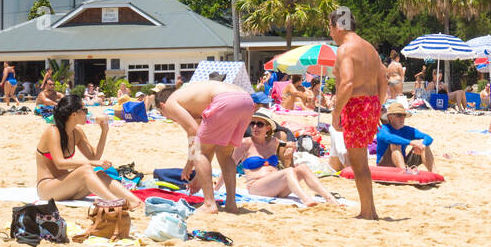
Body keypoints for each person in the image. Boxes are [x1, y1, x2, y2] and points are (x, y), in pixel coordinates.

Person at [154, 79, 258, 214]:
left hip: (225, 100)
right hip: (246, 101)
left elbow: (193, 133)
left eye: (162, 113)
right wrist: (199, 175)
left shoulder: (171, 103)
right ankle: (231, 204)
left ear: (162, 105)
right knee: (225, 154)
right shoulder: (191, 100)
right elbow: (208, 143)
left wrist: (189, 164)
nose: (167, 117)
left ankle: (209, 203)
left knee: (199, 153)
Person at [330, 6, 387, 220]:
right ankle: (369, 210)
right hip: (371, 104)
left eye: (331, 28)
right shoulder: (370, 48)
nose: (331, 34)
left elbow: (347, 83)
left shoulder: (346, 49)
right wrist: (376, 107)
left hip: (356, 105)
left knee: (359, 162)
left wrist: (336, 113)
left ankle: (367, 212)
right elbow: (384, 81)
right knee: (361, 160)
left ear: (338, 26)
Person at [35, 95, 141, 209]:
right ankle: (116, 202)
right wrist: (92, 163)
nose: (88, 113)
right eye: (85, 110)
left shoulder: (77, 132)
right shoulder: (53, 131)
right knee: (86, 169)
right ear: (74, 114)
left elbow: (94, 157)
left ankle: (136, 202)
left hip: (67, 188)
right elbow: (59, 163)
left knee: (99, 173)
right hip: (47, 188)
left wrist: (104, 131)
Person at [234, 110, 338, 207]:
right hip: (256, 186)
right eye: (253, 124)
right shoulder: (245, 143)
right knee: (288, 171)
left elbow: (290, 140)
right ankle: (306, 199)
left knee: (303, 167)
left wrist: (291, 148)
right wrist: (217, 189)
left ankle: (330, 198)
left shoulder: (273, 142)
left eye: (260, 124)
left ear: (268, 128)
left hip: (277, 188)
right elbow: (230, 164)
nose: (255, 127)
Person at [376, 101, 435, 170]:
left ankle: (434, 172)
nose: (402, 118)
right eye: (399, 115)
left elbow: (428, 137)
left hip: (402, 162)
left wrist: (423, 145)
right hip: (384, 165)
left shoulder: (407, 130)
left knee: (424, 146)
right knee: (395, 144)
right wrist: (411, 142)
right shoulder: (382, 128)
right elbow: (388, 138)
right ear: (390, 117)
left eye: (404, 115)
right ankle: (404, 172)